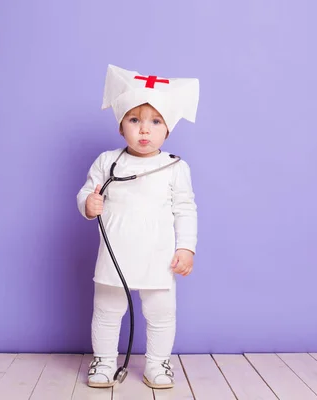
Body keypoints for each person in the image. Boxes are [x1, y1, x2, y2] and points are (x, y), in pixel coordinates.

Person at [76, 64, 199, 389]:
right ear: (120, 127)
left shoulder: (175, 167)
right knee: (106, 310)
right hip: (116, 252)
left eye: (155, 122)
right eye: (135, 120)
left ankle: (158, 365)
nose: (145, 130)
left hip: (157, 254)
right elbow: (88, 191)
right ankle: (103, 361)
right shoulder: (108, 162)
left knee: (161, 314)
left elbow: (185, 209)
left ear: (168, 129)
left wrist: (186, 247)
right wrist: (88, 204)